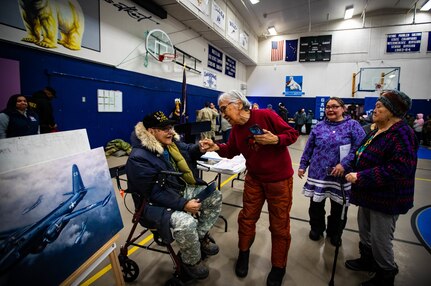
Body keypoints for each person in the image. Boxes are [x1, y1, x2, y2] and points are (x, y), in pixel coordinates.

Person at [200, 90, 299, 286]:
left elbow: (292, 134)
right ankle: (243, 254)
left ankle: (278, 267)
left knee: (279, 225)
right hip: (254, 179)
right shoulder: (236, 128)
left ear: (238, 104)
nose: (223, 114)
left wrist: (276, 139)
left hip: (279, 180)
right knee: (246, 219)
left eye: (224, 109)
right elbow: (232, 150)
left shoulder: (266, 115)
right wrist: (217, 147)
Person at [125, 111, 222, 280]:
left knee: (214, 196)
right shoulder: (138, 158)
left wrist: (199, 148)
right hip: (152, 204)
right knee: (187, 222)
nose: (170, 131)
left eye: (170, 127)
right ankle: (190, 261)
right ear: (151, 131)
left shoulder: (171, 143)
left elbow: (187, 151)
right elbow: (152, 193)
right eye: (164, 128)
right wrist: (183, 204)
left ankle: (198, 237)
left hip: (176, 190)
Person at [344, 90, 418, 286]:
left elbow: (399, 168)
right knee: (365, 231)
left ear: (392, 111)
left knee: (380, 239)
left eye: (379, 106)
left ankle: (386, 274)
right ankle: (367, 260)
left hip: (387, 198)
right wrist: (349, 165)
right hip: (369, 193)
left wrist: (361, 176)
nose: (374, 110)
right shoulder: (376, 129)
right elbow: (360, 151)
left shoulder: (402, 133)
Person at [297, 97, 365, 246]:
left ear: (343, 109)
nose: (330, 109)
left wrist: (345, 164)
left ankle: (335, 233)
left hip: (340, 175)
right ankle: (316, 228)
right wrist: (303, 165)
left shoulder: (352, 125)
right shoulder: (319, 126)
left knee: (339, 207)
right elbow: (309, 148)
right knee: (316, 206)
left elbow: (360, 148)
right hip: (318, 173)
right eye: (328, 107)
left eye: (335, 106)